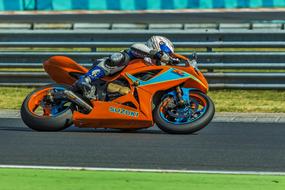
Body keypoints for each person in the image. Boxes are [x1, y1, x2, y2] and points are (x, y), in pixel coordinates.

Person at [74, 36, 178, 98]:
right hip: (108, 76)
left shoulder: (153, 68)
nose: (168, 55)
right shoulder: (143, 53)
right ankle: (86, 79)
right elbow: (135, 47)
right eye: (167, 52)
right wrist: (157, 54)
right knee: (122, 57)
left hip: (124, 87)